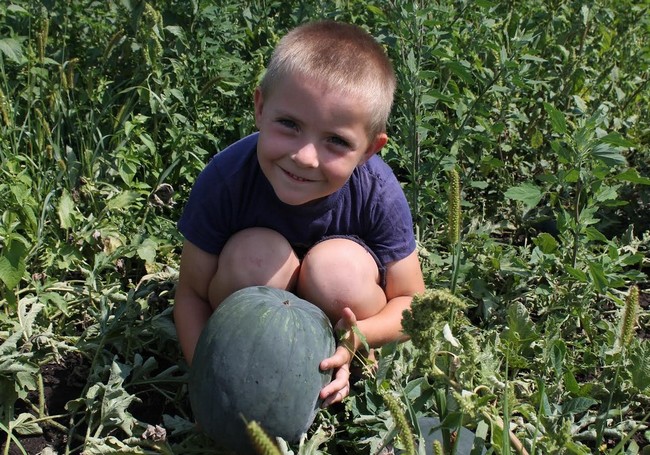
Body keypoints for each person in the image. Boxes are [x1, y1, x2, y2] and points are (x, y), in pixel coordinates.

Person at [174, 20, 425, 407]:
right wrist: (207, 378)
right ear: (260, 109)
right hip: (252, 329)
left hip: (343, 324)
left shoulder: (378, 192)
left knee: (336, 273)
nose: (305, 157)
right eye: (289, 124)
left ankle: (346, 370)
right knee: (253, 258)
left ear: (370, 150)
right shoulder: (226, 179)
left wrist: (360, 335)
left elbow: (413, 302)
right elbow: (191, 294)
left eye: (336, 141)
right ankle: (249, 371)